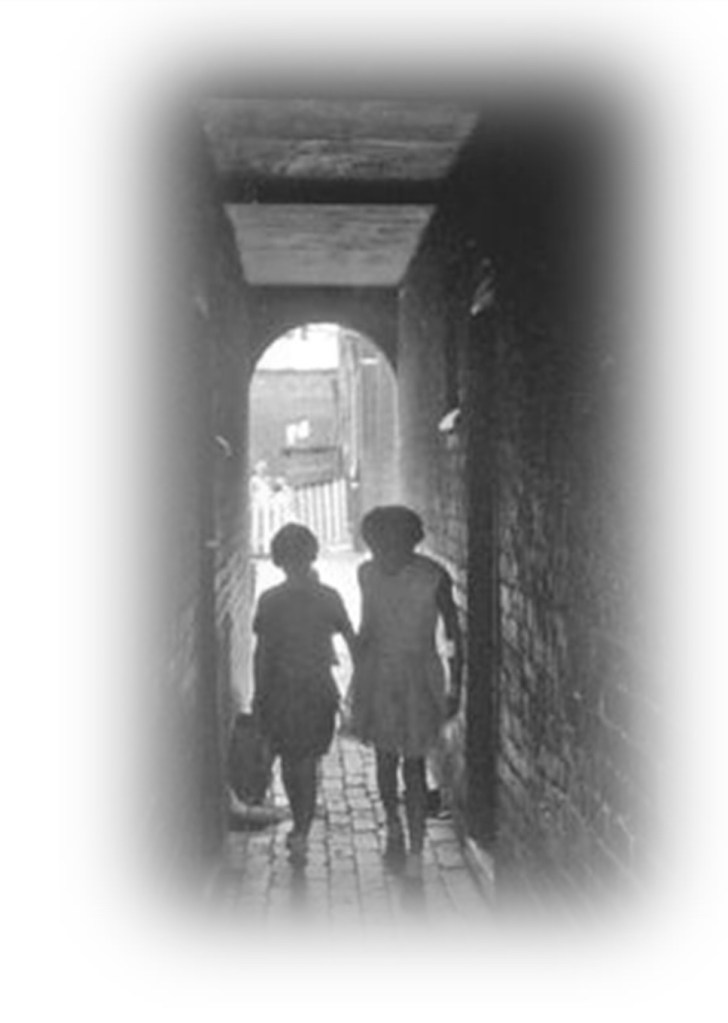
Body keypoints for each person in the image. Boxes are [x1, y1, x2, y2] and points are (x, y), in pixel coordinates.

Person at [348, 506, 463, 880]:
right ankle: (394, 826)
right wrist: (357, 669)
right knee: (385, 759)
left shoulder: (433, 577)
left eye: (390, 543)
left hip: (418, 676)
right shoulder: (366, 573)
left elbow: (453, 634)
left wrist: (455, 683)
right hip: (379, 673)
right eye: (378, 545)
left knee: (414, 765)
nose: (383, 552)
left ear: (409, 541)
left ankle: (415, 847)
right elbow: (367, 624)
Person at [252, 523, 356, 866]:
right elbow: (352, 640)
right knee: (308, 762)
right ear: (312, 554)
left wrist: (259, 695)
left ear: (278, 559)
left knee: (288, 759)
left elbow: (263, 653)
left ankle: (299, 824)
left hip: (280, 690)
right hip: (317, 689)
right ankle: (301, 830)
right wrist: (359, 684)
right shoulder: (328, 597)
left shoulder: (270, 601)